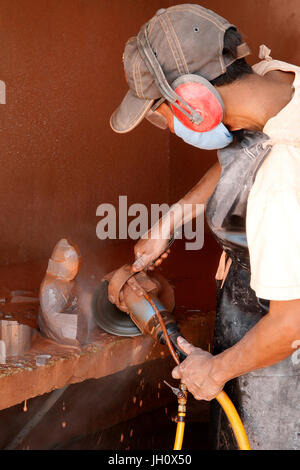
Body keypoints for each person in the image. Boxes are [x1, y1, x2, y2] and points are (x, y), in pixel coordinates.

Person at [110, 4, 300, 450]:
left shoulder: (282, 180)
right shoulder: (278, 83)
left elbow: (290, 324)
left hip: (284, 383)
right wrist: (173, 218)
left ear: (195, 103)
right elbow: (247, 146)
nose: (166, 127)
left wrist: (213, 371)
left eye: (162, 116)